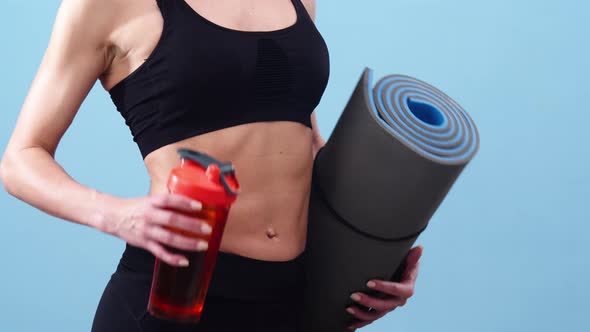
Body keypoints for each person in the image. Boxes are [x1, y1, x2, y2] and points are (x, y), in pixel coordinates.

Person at [0, 0, 423, 331]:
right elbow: (21, 159)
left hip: (291, 304)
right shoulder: (110, 4)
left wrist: (373, 258)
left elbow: (308, 145)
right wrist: (115, 214)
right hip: (174, 300)